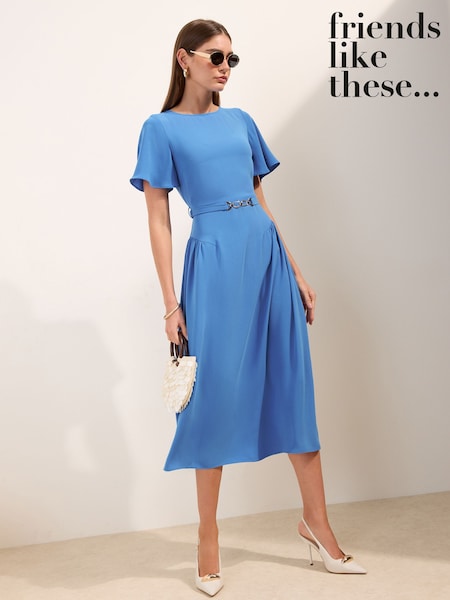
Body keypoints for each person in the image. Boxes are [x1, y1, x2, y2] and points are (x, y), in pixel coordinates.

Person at [131, 18, 366, 597]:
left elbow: (261, 201)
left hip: (266, 261)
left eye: (232, 59)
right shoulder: (160, 128)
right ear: (184, 59)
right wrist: (170, 303)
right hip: (212, 263)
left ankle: (318, 526)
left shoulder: (240, 121)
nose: (225, 68)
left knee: (292, 386)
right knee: (210, 399)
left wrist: (296, 270)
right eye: (215, 56)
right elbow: (158, 220)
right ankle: (207, 538)